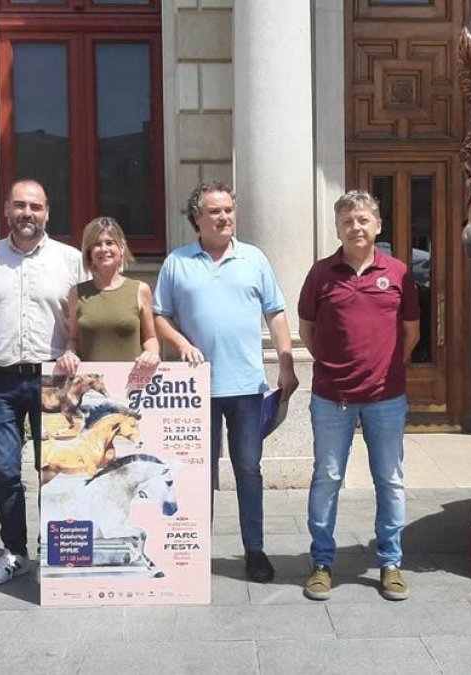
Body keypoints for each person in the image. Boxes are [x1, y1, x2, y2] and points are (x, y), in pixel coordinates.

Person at [152, 182, 298, 583]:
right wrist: (180, 343)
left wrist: (285, 365)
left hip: (248, 386)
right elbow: (159, 315)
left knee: (248, 469)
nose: (224, 217)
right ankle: (195, 552)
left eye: (229, 210)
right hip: (196, 390)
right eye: (215, 211)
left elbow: (277, 313)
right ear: (196, 218)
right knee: (198, 472)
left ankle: (255, 551)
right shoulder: (177, 263)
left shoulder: (254, 259)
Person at [297, 190, 421, 601]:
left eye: (364, 219)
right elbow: (308, 331)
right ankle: (321, 562)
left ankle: (390, 562)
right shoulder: (320, 274)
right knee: (327, 478)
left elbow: (411, 334)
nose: (356, 227)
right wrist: (337, 367)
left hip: (386, 398)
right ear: (337, 228)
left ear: (378, 225)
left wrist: (384, 370)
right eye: (348, 221)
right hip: (332, 398)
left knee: (390, 481)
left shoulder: (400, 273)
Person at [0, 178, 84, 586]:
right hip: (1, 379)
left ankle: (53, 550)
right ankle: (14, 552)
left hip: (53, 379)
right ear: (6, 210)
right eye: (19, 206)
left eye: (35, 206)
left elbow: (83, 318)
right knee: (3, 470)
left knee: (55, 469)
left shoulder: (69, 260)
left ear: (47, 212)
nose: (27, 214)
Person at [56, 216, 161, 373]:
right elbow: (73, 338)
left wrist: (152, 355)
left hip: (132, 386)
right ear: (89, 253)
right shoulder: (77, 293)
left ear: (121, 248)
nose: (104, 249)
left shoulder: (140, 290)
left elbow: (150, 338)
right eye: (97, 244)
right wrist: (69, 354)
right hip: (90, 387)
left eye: (110, 243)